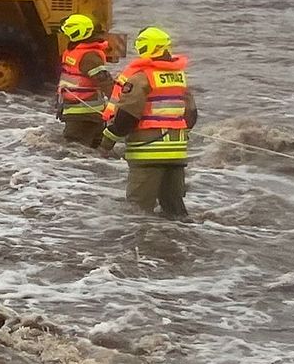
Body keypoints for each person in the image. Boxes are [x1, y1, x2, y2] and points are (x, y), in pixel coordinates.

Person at [98, 26, 198, 217]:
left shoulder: (141, 77)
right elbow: (191, 116)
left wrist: (106, 141)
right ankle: (182, 243)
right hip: (176, 154)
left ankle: (141, 245)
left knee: (138, 213)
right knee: (174, 210)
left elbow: (126, 118)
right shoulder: (179, 77)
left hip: (147, 155)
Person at [55, 13, 113, 147]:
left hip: (84, 114)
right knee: (90, 151)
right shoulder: (78, 52)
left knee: (73, 151)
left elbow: (105, 82)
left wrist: (118, 106)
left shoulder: (89, 56)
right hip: (79, 112)